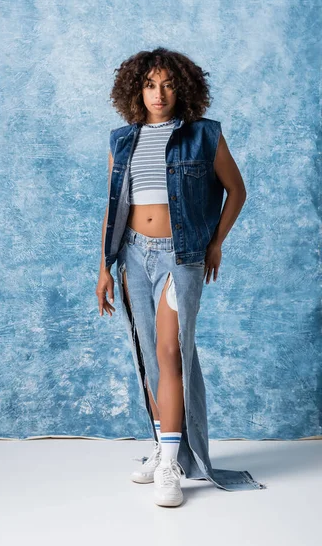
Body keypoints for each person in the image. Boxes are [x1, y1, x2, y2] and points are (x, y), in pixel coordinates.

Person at [96, 47, 266, 507]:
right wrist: (104, 268)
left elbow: (237, 190)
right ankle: (163, 447)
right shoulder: (121, 140)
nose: (159, 93)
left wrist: (215, 243)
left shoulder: (204, 135)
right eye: (150, 85)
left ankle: (172, 466)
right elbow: (115, 209)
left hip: (181, 255)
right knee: (149, 355)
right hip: (131, 256)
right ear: (136, 90)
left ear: (183, 89)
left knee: (172, 352)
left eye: (168, 84)